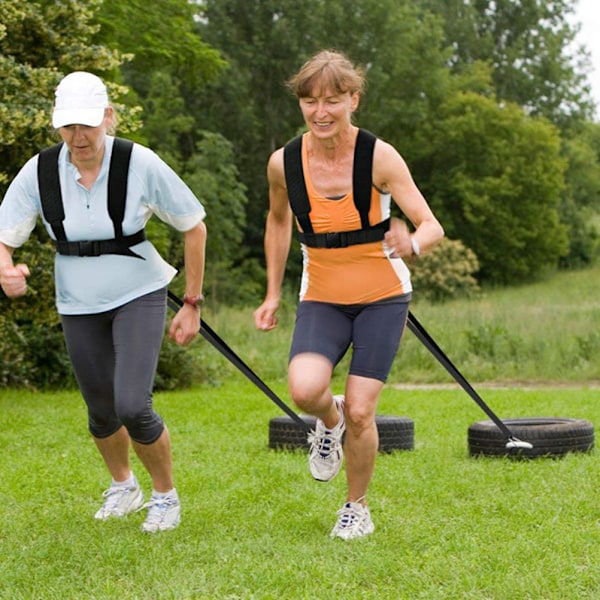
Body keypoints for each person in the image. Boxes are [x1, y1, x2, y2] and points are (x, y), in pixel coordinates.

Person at [0, 71, 207, 533]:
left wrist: (192, 301)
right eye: (68, 126)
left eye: (88, 125)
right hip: (76, 300)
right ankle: (123, 486)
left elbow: (194, 225)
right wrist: (6, 269)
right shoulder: (39, 171)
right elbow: (4, 237)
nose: (78, 136)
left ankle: (165, 496)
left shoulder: (140, 162)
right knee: (100, 408)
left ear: (108, 118)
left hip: (139, 291)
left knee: (132, 403)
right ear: (57, 126)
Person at [254, 50, 444, 540]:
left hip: (383, 294)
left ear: (353, 100)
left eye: (332, 101)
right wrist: (273, 293)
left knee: (363, 409)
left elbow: (430, 225)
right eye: (310, 101)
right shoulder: (284, 163)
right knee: (305, 389)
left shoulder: (379, 156)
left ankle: (356, 507)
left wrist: (413, 244)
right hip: (322, 294)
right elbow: (277, 223)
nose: (321, 112)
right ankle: (328, 422)